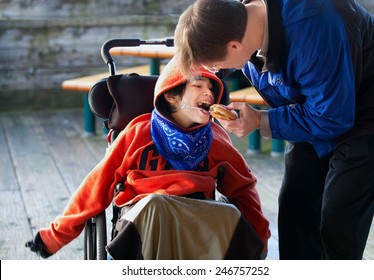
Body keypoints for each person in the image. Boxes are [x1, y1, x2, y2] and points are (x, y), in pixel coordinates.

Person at [174, 0, 374, 260]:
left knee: (338, 219)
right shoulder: (239, 21)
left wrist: (261, 121)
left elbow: (333, 117)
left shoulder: (311, 30)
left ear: (234, 45)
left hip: (370, 106)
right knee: (294, 206)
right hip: (312, 102)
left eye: (216, 66)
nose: (216, 72)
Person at [25, 56, 270, 260]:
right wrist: (53, 237)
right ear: (171, 96)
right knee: (157, 205)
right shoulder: (138, 133)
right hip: (144, 220)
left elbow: (243, 188)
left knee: (230, 214)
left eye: (212, 89)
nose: (209, 93)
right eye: (198, 86)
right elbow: (96, 186)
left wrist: (260, 241)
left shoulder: (215, 138)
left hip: (197, 222)